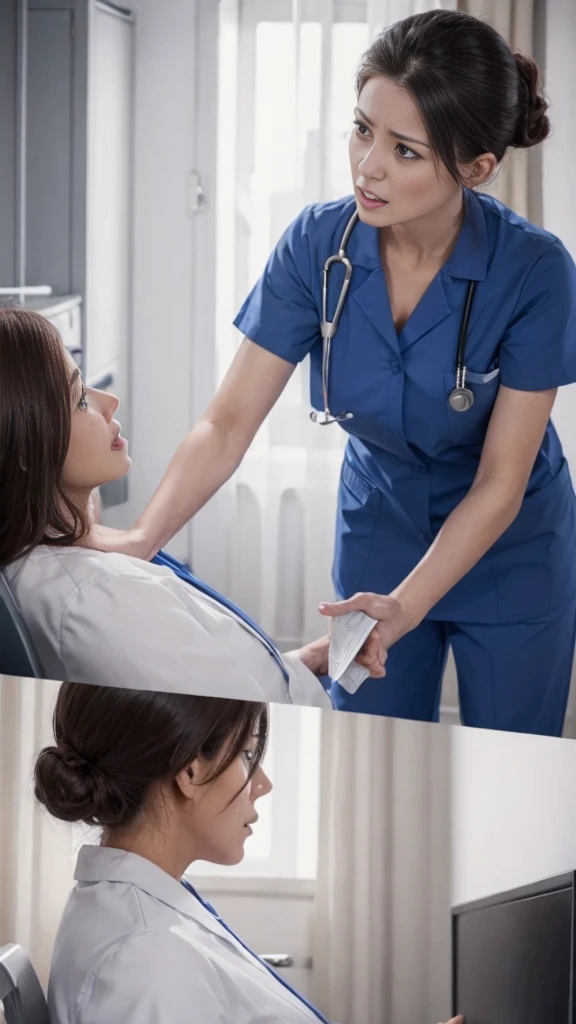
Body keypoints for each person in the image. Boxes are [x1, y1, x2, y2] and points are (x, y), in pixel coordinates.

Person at [80, 10, 576, 736]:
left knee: (512, 772)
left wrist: (406, 610)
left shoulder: (534, 270)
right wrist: (140, 539)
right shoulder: (317, 244)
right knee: (366, 759)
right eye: (362, 128)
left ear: (475, 168)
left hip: (513, 550)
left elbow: (500, 480)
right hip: (379, 529)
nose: (367, 165)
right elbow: (225, 424)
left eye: (406, 151)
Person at [34, 682, 464, 1024]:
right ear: (189, 771)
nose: (263, 783)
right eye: (245, 754)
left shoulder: (145, 911)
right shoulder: (146, 959)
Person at [0, 307, 368, 704]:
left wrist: (306, 661)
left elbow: (213, 677)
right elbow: (237, 719)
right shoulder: (103, 596)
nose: (110, 400)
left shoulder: (61, 564)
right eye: (81, 400)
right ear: (25, 444)